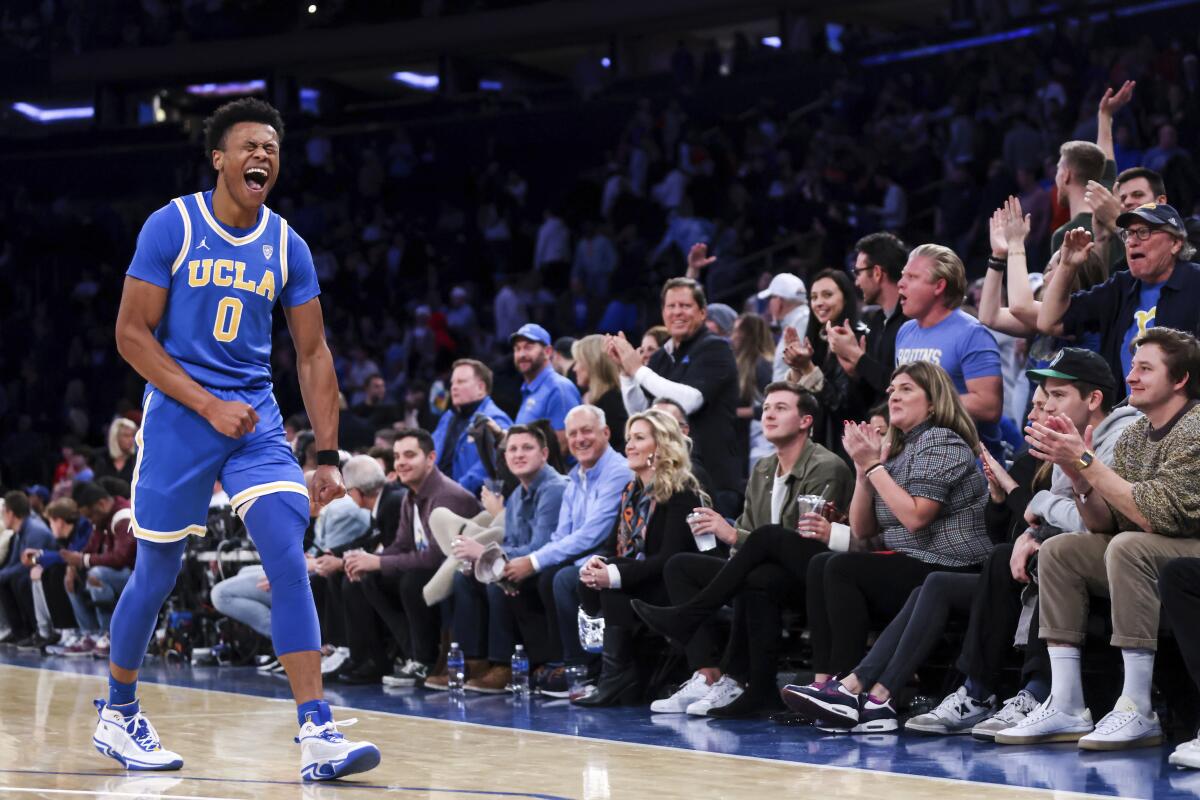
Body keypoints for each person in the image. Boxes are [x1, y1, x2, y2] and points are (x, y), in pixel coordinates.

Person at [102, 98, 378, 778]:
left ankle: (318, 731)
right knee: (156, 574)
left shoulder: (287, 244)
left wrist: (327, 455)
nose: (263, 156)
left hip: (253, 418)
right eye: (249, 145)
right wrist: (204, 402)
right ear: (219, 158)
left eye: (273, 149)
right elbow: (130, 334)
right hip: (177, 417)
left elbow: (313, 355)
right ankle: (118, 711)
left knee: (286, 551)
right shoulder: (173, 224)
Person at [895, 351, 1138, 737]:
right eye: (1045, 397)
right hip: (1075, 551)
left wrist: (1037, 511)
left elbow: (1099, 520)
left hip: (1119, 559)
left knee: (1053, 557)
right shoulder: (1059, 446)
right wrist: (1028, 526)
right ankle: (977, 693)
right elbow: (1029, 524)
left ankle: (1039, 694)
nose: (1043, 408)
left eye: (1058, 396)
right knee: (1003, 556)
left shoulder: (1121, 437)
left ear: (1093, 400)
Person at [995, 327, 1200, 750]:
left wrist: (1085, 460)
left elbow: (1156, 513)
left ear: (1179, 379)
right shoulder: (1133, 437)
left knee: (1130, 548)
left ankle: (1136, 708)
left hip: (1188, 550)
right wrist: (1076, 475)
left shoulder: (1195, 427)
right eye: (1132, 367)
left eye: (1146, 368)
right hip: (1148, 549)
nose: (1132, 377)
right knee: (1061, 550)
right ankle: (1068, 702)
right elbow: (1102, 523)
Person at [781, 361, 992, 732]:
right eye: (891, 389)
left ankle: (846, 688)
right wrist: (865, 472)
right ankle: (830, 684)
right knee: (824, 564)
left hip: (953, 563)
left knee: (842, 568)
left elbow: (916, 517)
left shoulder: (943, 441)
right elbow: (863, 529)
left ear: (932, 403)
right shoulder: (899, 449)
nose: (893, 394)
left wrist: (873, 467)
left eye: (907, 388)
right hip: (913, 561)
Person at [634, 383, 854, 717]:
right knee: (681, 566)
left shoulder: (826, 466)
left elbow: (800, 540)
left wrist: (730, 534)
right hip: (765, 571)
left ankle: (693, 622)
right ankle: (711, 675)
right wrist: (737, 541)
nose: (768, 414)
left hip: (813, 573)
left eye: (780, 407)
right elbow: (755, 540)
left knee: (764, 553)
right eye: (765, 408)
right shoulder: (763, 469)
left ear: (806, 420)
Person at [573, 410, 707, 706]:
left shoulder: (681, 492)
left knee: (613, 585)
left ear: (661, 445)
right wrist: (597, 564)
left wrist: (614, 574)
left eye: (639, 438)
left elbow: (669, 559)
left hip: (673, 585)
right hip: (642, 578)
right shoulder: (631, 491)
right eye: (628, 439)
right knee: (592, 577)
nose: (629, 446)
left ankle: (616, 678)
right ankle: (612, 675)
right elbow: (611, 547)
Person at [500, 405, 632, 695]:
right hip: (583, 558)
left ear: (606, 433)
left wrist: (533, 560)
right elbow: (562, 534)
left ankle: (579, 668)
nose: (579, 439)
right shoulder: (576, 475)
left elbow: (591, 534)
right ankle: (549, 661)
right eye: (572, 433)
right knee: (530, 578)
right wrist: (528, 564)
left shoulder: (618, 471)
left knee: (557, 577)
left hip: (614, 558)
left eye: (587, 431)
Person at [341, 429, 480, 686]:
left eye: (409, 455)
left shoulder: (445, 495)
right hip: (433, 568)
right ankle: (409, 656)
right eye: (396, 456)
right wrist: (368, 560)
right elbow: (402, 545)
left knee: (412, 580)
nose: (401, 462)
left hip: (463, 570)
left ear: (431, 458)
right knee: (369, 579)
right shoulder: (409, 496)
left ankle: (426, 660)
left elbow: (437, 558)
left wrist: (379, 561)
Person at [447, 425, 568, 693]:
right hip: (523, 564)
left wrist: (485, 555)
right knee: (464, 578)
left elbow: (541, 547)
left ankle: (502, 666)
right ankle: (473, 662)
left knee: (496, 582)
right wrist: (483, 561)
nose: (518, 454)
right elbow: (512, 545)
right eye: (512, 449)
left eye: (527, 448)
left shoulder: (554, 488)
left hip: (549, 567)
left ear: (544, 453)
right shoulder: (515, 497)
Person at [1037, 203, 1200, 398]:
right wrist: (1067, 266)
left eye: (1143, 232)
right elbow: (1049, 322)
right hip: (1126, 417)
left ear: (1175, 243)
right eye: (1128, 234)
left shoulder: (1195, 283)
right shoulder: (1120, 286)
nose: (1132, 241)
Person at [610, 278, 742, 517]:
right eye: (671, 306)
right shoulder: (662, 357)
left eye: (685, 306)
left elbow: (690, 400)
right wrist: (626, 374)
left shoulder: (716, 349)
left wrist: (638, 370)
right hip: (671, 481)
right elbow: (646, 416)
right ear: (662, 313)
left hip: (714, 479)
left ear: (702, 312)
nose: (677, 312)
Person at [895, 243, 1004, 456]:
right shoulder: (905, 332)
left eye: (912, 277)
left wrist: (927, 403)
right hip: (916, 457)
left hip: (969, 464)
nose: (900, 284)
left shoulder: (972, 334)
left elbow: (989, 406)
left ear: (939, 286)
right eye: (902, 275)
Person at [783, 269, 870, 459]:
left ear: (846, 298)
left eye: (827, 295)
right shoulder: (818, 342)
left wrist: (808, 368)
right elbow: (808, 406)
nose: (819, 303)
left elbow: (843, 406)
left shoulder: (858, 338)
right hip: (818, 449)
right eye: (813, 297)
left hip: (848, 453)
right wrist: (798, 368)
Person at [827, 233, 909, 413]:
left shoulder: (911, 321)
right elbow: (873, 397)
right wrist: (855, 373)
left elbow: (904, 386)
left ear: (877, 273)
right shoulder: (878, 321)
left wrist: (856, 355)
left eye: (858, 272)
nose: (856, 282)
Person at [431, 359, 513, 495]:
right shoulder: (448, 417)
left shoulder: (495, 420)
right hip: (439, 495)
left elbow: (491, 467)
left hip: (473, 501)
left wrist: (454, 491)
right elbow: (430, 452)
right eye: (452, 383)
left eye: (461, 382)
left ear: (481, 388)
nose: (453, 387)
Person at [22, 497, 94, 652]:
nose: (50, 526)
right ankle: (63, 630)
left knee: (55, 571)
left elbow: (67, 555)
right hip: (83, 569)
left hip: (92, 570)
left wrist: (38, 557)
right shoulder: (71, 533)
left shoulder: (84, 529)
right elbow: (61, 554)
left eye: (51, 522)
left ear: (60, 521)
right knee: (48, 571)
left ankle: (72, 630)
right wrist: (40, 556)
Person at [511, 323, 583, 453]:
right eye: (517, 349)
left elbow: (564, 444)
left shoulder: (558, 388)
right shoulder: (530, 388)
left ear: (548, 351)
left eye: (528, 347)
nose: (521, 354)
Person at [0, 490, 55, 645]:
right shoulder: (20, 530)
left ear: (10, 513)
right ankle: (19, 631)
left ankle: (37, 629)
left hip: (47, 574)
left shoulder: (34, 530)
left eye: (3, 513)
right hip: (31, 572)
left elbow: (27, 565)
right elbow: (14, 562)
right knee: (7, 580)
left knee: (20, 580)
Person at [731, 313, 775, 467]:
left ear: (749, 334)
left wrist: (735, 413)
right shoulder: (742, 364)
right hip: (745, 441)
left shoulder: (762, 366)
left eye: (737, 330)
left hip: (762, 442)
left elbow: (772, 406)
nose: (733, 336)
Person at [758, 273, 809, 381]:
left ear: (779, 300)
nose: (769, 304)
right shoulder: (797, 321)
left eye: (771, 298)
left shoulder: (802, 321)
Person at [93, 418, 138, 483]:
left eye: (133, 436)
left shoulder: (137, 460)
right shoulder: (100, 457)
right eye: (126, 436)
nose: (131, 439)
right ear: (115, 437)